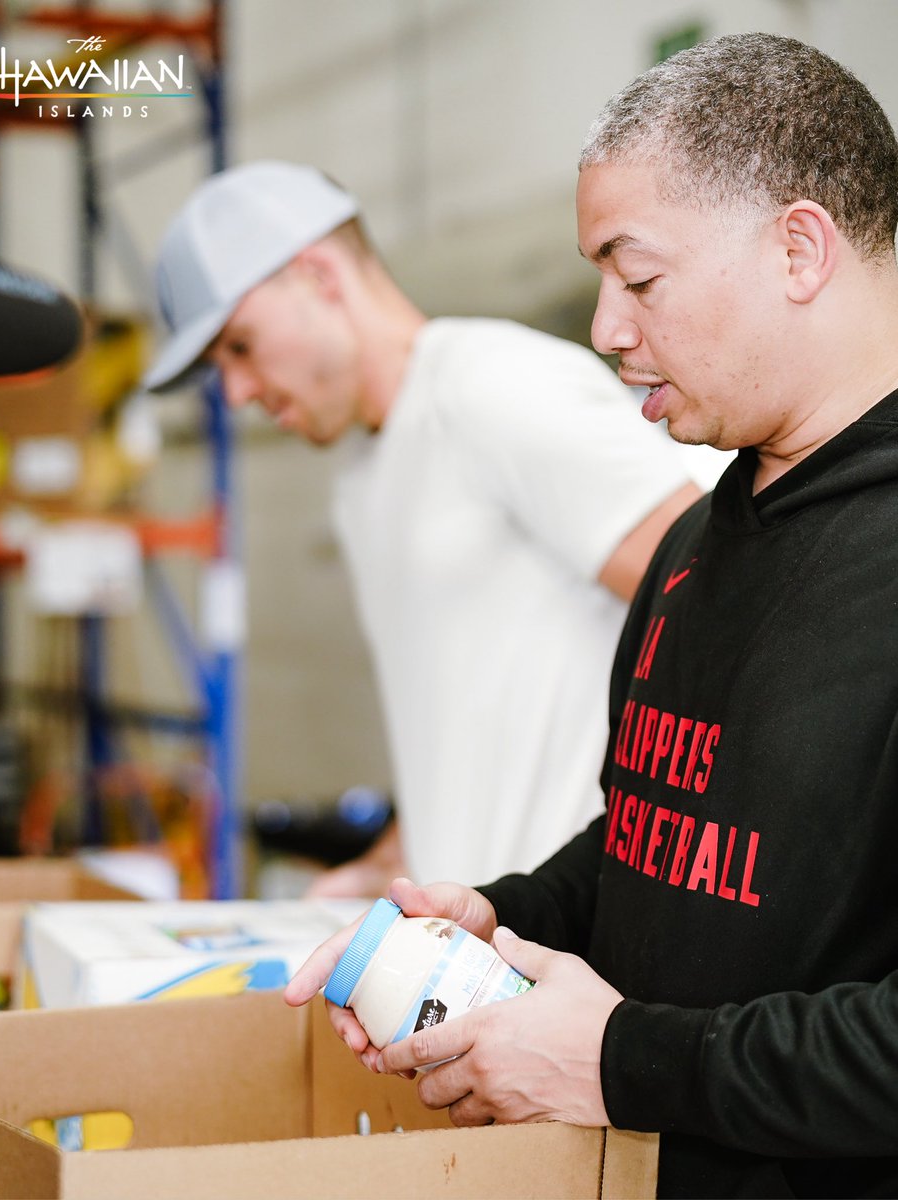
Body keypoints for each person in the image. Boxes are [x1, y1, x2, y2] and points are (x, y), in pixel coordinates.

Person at [284, 32, 898, 1199]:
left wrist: (620, 1062)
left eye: (639, 275)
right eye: (598, 278)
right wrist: (496, 921)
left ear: (799, 248)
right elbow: (643, 843)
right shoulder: (685, 554)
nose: (606, 328)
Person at [145, 160, 703, 895]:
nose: (238, 390)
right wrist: (391, 860)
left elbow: (726, 595)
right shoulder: (364, 472)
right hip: (476, 956)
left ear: (318, 276)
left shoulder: (489, 389)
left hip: (570, 947)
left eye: (240, 346)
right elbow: (467, 724)